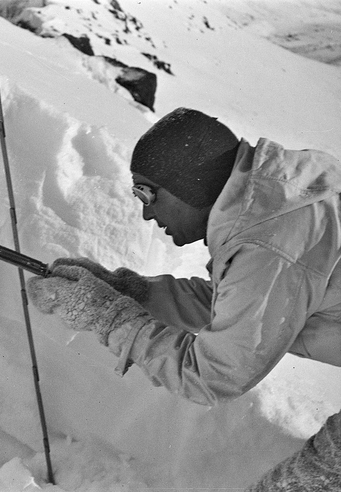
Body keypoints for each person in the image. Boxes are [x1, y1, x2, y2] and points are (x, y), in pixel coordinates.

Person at [27, 107, 341, 490]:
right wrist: (132, 292)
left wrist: (108, 316)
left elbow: (213, 375)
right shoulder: (278, 198)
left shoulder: (268, 241)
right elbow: (244, 300)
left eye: (146, 192)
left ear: (190, 183)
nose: (145, 212)